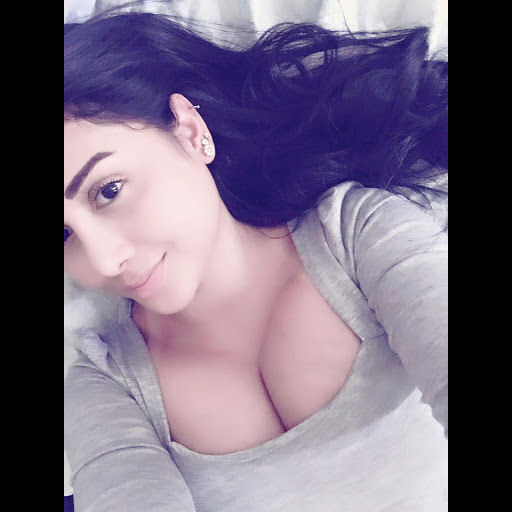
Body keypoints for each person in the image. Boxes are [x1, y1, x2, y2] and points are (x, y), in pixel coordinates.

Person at [64, 9, 447, 512]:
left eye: (109, 190)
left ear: (190, 130)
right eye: (63, 234)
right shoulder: (105, 379)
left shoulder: (357, 233)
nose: (105, 260)